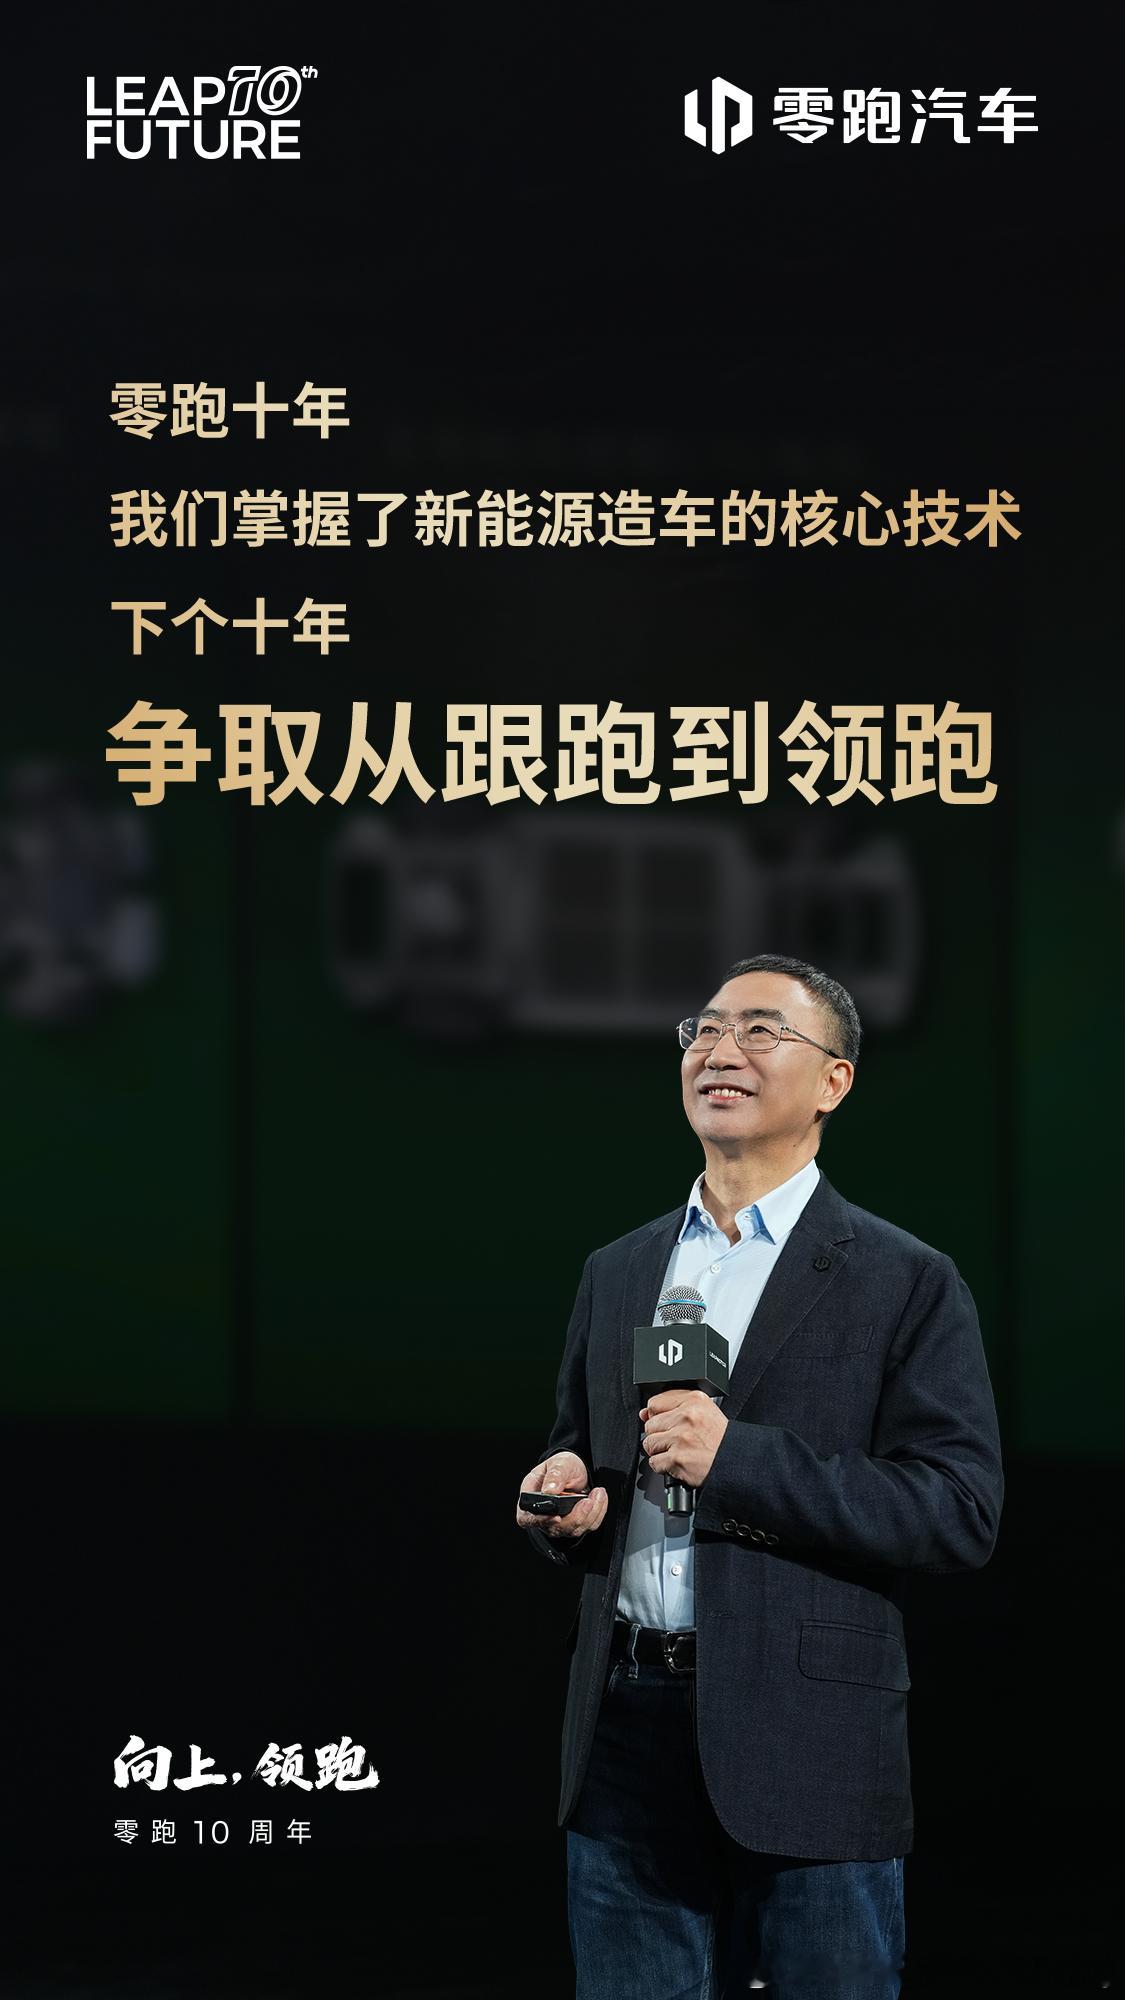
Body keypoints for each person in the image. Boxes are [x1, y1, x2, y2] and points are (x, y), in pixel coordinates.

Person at [515, 953, 1003, 2000]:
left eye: (760, 1030)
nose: (719, 1049)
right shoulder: (619, 1269)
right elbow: (584, 1449)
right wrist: (569, 1500)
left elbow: (958, 1509)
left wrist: (737, 1459)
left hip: (806, 1733)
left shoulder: (904, 1279)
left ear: (834, 1081)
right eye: (703, 1028)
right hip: (623, 1724)